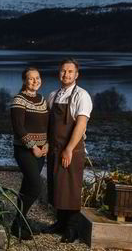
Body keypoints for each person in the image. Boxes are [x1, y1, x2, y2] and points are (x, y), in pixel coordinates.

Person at [44, 58, 93, 243]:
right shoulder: (53, 95)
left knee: (71, 189)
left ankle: (72, 229)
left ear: (77, 75)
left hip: (71, 150)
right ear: (59, 73)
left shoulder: (82, 96)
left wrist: (69, 149)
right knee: (57, 187)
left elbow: (80, 124)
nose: (66, 74)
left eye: (70, 71)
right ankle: (60, 223)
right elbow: (49, 124)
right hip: (54, 149)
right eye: (63, 71)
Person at [10, 67, 49, 240]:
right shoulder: (18, 100)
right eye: (31, 78)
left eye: (37, 78)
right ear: (24, 81)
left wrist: (47, 144)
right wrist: (33, 146)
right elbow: (18, 127)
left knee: (27, 187)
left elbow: (46, 126)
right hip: (25, 151)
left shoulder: (43, 100)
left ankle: (19, 224)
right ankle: (18, 222)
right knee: (35, 186)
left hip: (42, 151)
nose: (35, 81)